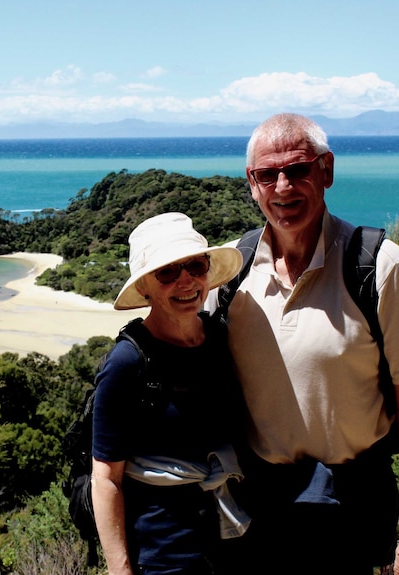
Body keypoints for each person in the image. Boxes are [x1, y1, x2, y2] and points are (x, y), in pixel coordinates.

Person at [211, 113, 399, 575]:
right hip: (258, 508)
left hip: (350, 508)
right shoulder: (231, 273)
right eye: (267, 175)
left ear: (326, 171)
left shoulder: (377, 264)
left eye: (297, 170)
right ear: (251, 184)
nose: (283, 188)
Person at [91, 212, 250, 575]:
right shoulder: (127, 363)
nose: (186, 281)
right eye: (167, 272)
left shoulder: (220, 338)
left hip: (233, 539)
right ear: (144, 287)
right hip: (163, 552)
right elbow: (106, 479)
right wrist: (120, 569)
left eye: (196, 265)